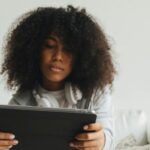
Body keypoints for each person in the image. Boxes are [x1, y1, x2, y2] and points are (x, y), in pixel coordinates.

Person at [0, 5, 116, 150]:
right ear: (34, 50)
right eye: (49, 46)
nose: (58, 57)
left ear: (81, 56)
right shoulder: (20, 103)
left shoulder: (96, 93)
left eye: (68, 49)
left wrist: (102, 141)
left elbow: (109, 139)